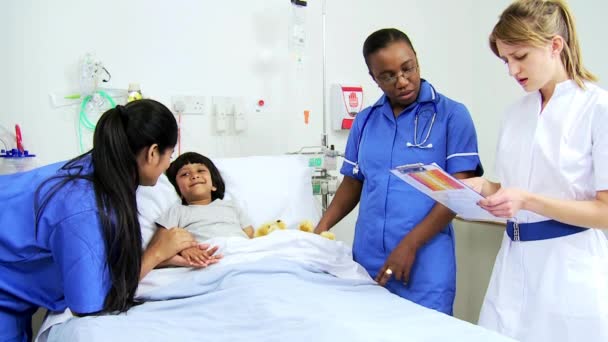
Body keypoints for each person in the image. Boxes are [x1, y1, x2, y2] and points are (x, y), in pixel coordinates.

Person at [0, 99, 217, 342]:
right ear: (153, 152)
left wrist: (162, 259)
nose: (168, 164)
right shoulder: (82, 206)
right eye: (170, 155)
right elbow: (91, 305)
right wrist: (155, 253)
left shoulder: (104, 173)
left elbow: (100, 254)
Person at [463, 1, 608, 341]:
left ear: (555, 45)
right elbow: (512, 187)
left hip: (570, 270)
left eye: (520, 56)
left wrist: (527, 200)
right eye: (505, 60)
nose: (512, 70)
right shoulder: (516, 114)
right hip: (512, 265)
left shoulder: (597, 109)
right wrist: (482, 187)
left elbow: (605, 212)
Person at [314, 28, 483, 315]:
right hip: (368, 259)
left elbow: (457, 192)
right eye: (388, 76)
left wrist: (409, 246)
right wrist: (320, 230)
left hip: (424, 259)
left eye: (408, 68)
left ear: (416, 59)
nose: (402, 81)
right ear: (373, 77)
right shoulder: (366, 121)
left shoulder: (452, 116)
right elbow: (353, 182)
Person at [157, 152, 254, 265]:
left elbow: (249, 232)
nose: (194, 175)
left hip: (240, 251)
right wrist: (183, 250)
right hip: (208, 257)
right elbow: (159, 246)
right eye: (185, 174)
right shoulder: (177, 211)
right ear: (178, 191)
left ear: (214, 185)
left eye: (200, 170)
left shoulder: (231, 205)